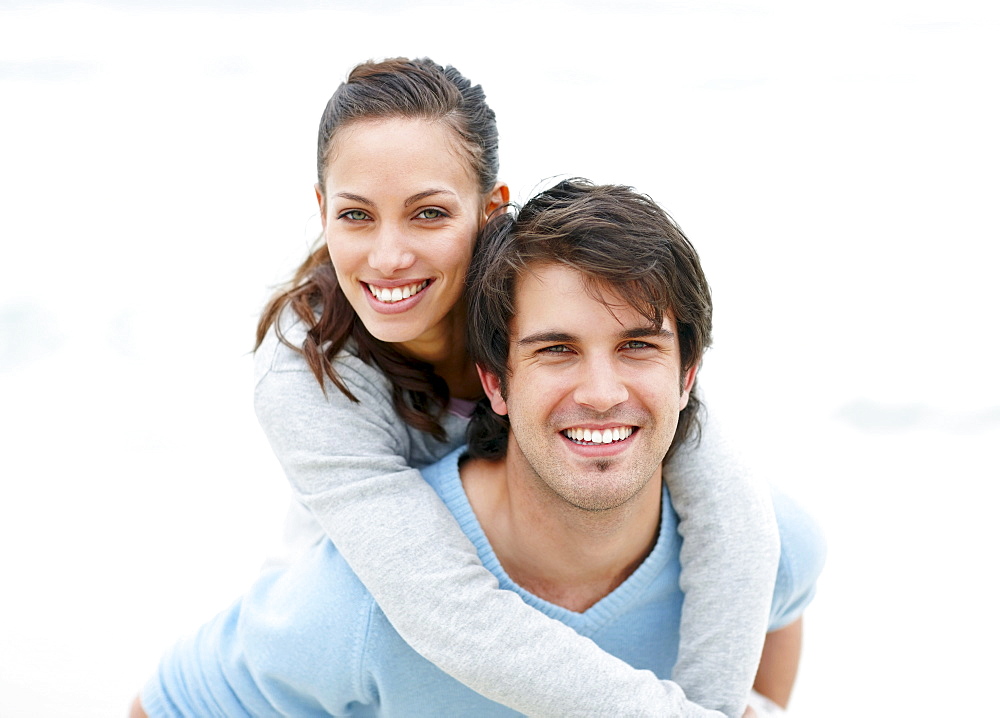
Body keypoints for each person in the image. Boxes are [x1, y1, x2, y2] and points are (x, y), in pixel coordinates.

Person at [138, 58, 781, 717]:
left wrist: (722, 705)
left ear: (489, 208)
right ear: (322, 210)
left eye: (428, 214)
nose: (389, 257)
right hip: (362, 619)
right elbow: (450, 611)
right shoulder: (306, 372)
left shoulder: (541, 301)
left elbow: (738, 515)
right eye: (357, 216)